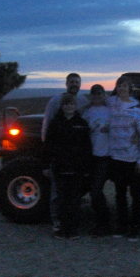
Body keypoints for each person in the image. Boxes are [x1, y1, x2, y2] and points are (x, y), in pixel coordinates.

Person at [41, 73, 89, 233]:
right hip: (59, 155)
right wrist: (47, 156)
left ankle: (72, 222)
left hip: (75, 157)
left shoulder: (83, 101)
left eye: (77, 82)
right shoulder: (55, 101)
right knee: (58, 193)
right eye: (72, 82)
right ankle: (57, 222)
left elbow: (86, 130)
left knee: (73, 192)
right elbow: (47, 125)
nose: (74, 84)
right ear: (66, 83)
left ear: (80, 84)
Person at [108, 76, 140, 242]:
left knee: (135, 194)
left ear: (130, 89)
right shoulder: (112, 105)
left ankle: (135, 227)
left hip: (132, 158)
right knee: (119, 194)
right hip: (116, 157)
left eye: (125, 86)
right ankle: (121, 225)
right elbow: (97, 102)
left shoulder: (138, 110)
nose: (121, 89)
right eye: (119, 86)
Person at [82, 84, 112, 236]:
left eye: (99, 93)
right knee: (91, 189)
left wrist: (110, 129)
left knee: (96, 190)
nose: (97, 96)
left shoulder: (110, 111)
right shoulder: (87, 112)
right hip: (90, 155)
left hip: (105, 156)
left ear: (103, 94)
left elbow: (119, 127)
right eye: (94, 94)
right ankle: (99, 222)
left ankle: (104, 223)